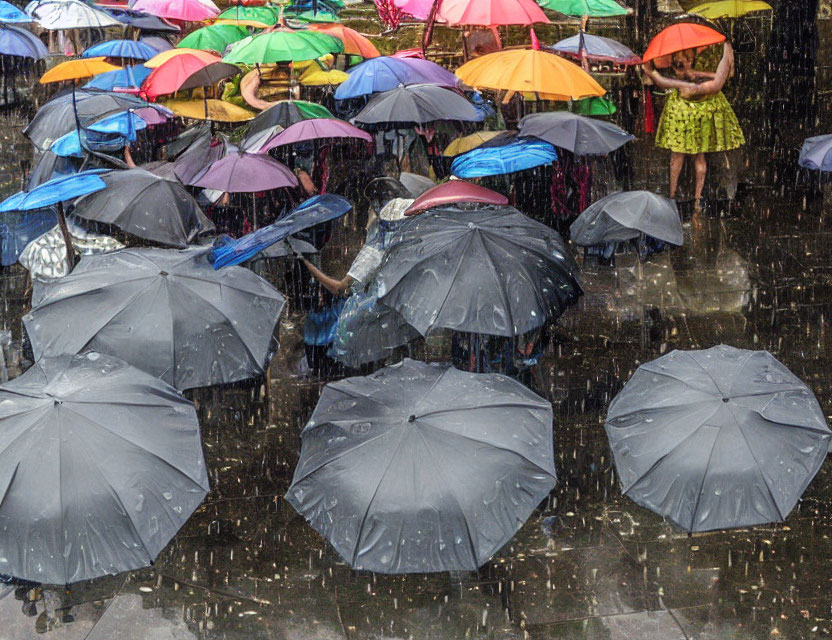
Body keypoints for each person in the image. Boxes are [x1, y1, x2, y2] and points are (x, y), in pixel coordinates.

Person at [642, 42, 744, 213]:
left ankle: (676, 196)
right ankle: (694, 199)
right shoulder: (720, 47)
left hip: (688, 104)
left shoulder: (701, 48)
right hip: (702, 104)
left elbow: (670, 81)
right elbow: (726, 76)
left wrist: (690, 74)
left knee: (681, 155)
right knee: (695, 156)